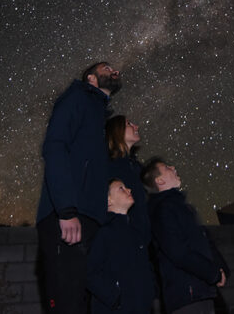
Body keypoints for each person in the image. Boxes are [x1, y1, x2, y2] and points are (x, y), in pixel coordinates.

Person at [37, 62, 122, 314]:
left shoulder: (98, 116)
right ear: (91, 79)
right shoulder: (77, 97)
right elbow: (55, 147)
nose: (115, 70)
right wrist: (66, 209)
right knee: (68, 304)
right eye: (107, 67)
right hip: (69, 217)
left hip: (89, 218)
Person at [142, 158, 229, 314]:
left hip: (201, 292)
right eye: (167, 168)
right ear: (160, 180)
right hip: (187, 296)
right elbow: (179, 252)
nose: (173, 167)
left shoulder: (182, 208)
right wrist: (213, 273)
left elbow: (204, 242)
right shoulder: (163, 210)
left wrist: (221, 268)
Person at [86, 179, 155, 314]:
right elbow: (90, 272)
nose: (129, 190)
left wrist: (150, 292)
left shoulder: (136, 234)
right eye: (121, 188)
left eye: (127, 187)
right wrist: (115, 297)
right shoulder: (105, 233)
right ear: (109, 201)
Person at [105, 115, 149, 234]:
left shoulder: (137, 167)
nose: (136, 126)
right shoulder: (109, 167)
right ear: (117, 131)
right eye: (129, 124)